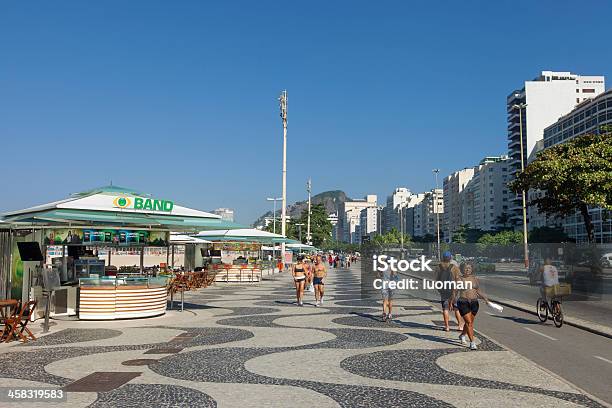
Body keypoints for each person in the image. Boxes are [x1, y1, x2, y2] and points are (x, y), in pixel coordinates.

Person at [450, 262, 490, 350]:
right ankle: (472, 342)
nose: (467, 270)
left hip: (474, 302)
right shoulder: (459, 279)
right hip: (463, 302)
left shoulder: (474, 279)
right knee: (469, 322)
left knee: (470, 323)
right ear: (462, 269)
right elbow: (454, 291)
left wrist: (485, 298)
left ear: (472, 269)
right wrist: (452, 301)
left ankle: (462, 335)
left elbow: (478, 290)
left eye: (469, 268)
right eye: (465, 268)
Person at [435, 251, 463, 332]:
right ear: (450, 258)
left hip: (443, 291)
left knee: (445, 309)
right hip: (453, 291)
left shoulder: (438, 267)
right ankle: (460, 325)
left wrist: (439, 289)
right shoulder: (454, 267)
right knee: (456, 309)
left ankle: (447, 326)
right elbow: (458, 279)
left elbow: (437, 279)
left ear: (443, 258)